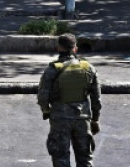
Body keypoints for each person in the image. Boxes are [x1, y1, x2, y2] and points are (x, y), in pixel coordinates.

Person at [37, 33, 102, 167]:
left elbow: (43, 97)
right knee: (85, 159)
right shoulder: (88, 68)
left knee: (61, 158)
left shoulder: (52, 70)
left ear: (59, 48)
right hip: (83, 118)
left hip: (60, 118)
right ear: (75, 49)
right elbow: (96, 98)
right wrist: (95, 119)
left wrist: (47, 111)